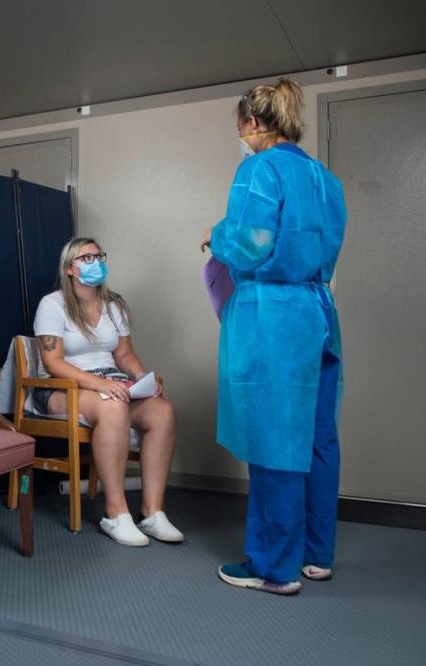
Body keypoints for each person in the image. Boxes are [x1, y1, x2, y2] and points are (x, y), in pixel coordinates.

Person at [201, 77, 347, 595]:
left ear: (255, 123)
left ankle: (273, 568)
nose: (240, 134)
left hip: (275, 316)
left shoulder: (258, 167)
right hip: (318, 309)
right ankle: (316, 555)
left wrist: (216, 236)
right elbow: (324, 247)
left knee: (274, 437)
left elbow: (249, 244)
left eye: (241, 125)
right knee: (318, 435)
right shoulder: (324, 177)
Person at [34, 237, 182, 546]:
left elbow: (125, 355)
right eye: (86, 258)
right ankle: (116, 514)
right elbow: (52, 361)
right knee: (113, 407)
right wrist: (99, 384)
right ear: (70, 268)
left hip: (111, 383)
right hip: (64, 386)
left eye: (98, 256)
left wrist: (144, 379)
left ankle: (153, 512)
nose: (96, 262)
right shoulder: (52, 304)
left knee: (162, 410)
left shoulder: (114, 306)